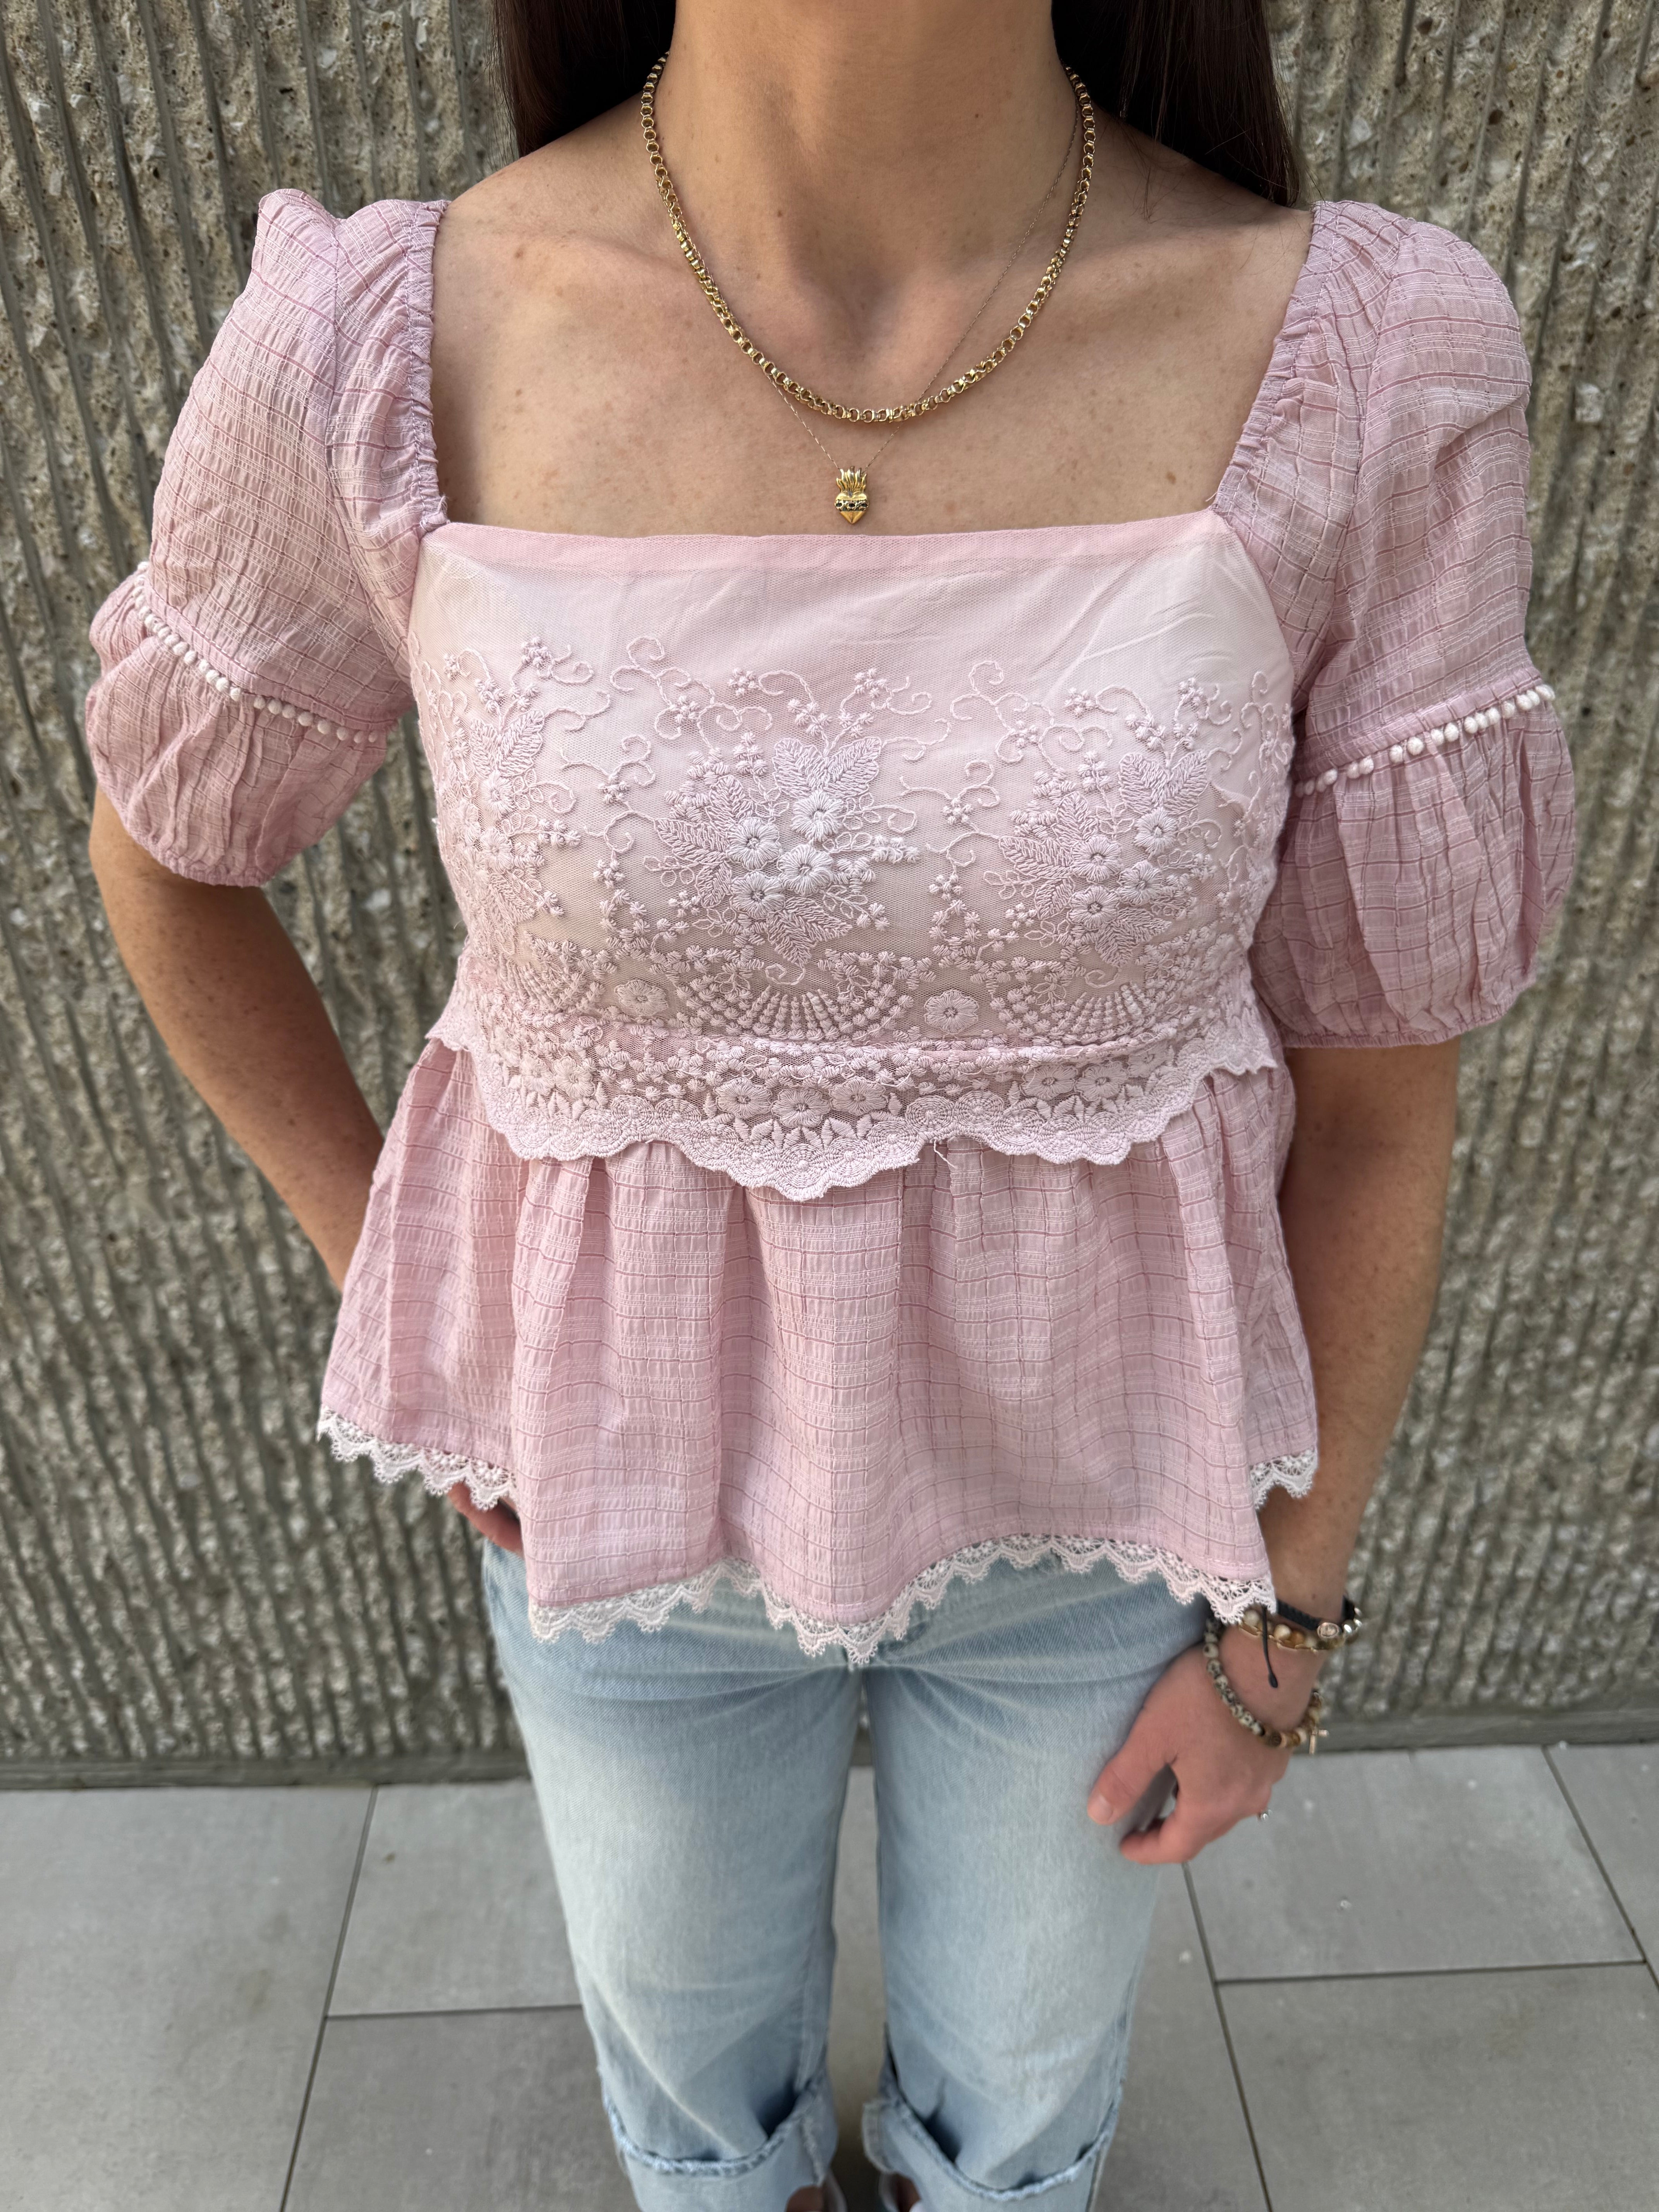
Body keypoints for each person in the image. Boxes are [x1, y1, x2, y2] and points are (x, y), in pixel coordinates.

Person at [83, 2, 1575, 2205]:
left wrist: (1288, 1620)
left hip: (1103, 1510)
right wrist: (396, 1282)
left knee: (1022, 2126)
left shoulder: (1362, 361)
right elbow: (172, 864)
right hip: (618, 1515)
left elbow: (1383, 1085)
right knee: (697, 2118)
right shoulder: (379, 349)